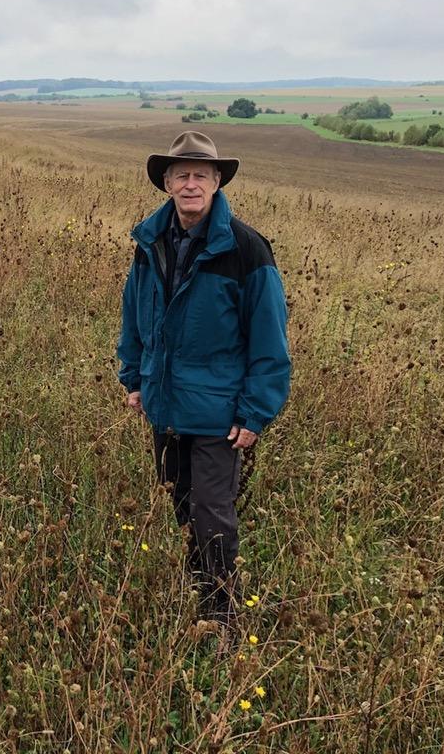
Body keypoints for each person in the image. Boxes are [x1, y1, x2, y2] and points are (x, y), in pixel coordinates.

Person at [116, 131, 291, 627]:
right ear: (167, 183)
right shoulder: (149, 242)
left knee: (213, 514)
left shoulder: (247, 249)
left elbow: (269, 341)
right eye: (181, 175)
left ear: (216, 182)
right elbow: (134, 316)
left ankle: (223, 618)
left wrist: (256, 412)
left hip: (220, 413)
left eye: (201, 175)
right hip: (164, 403)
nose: (191, 184)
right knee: (179, 501)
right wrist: (134, 378)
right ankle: (200, 590)